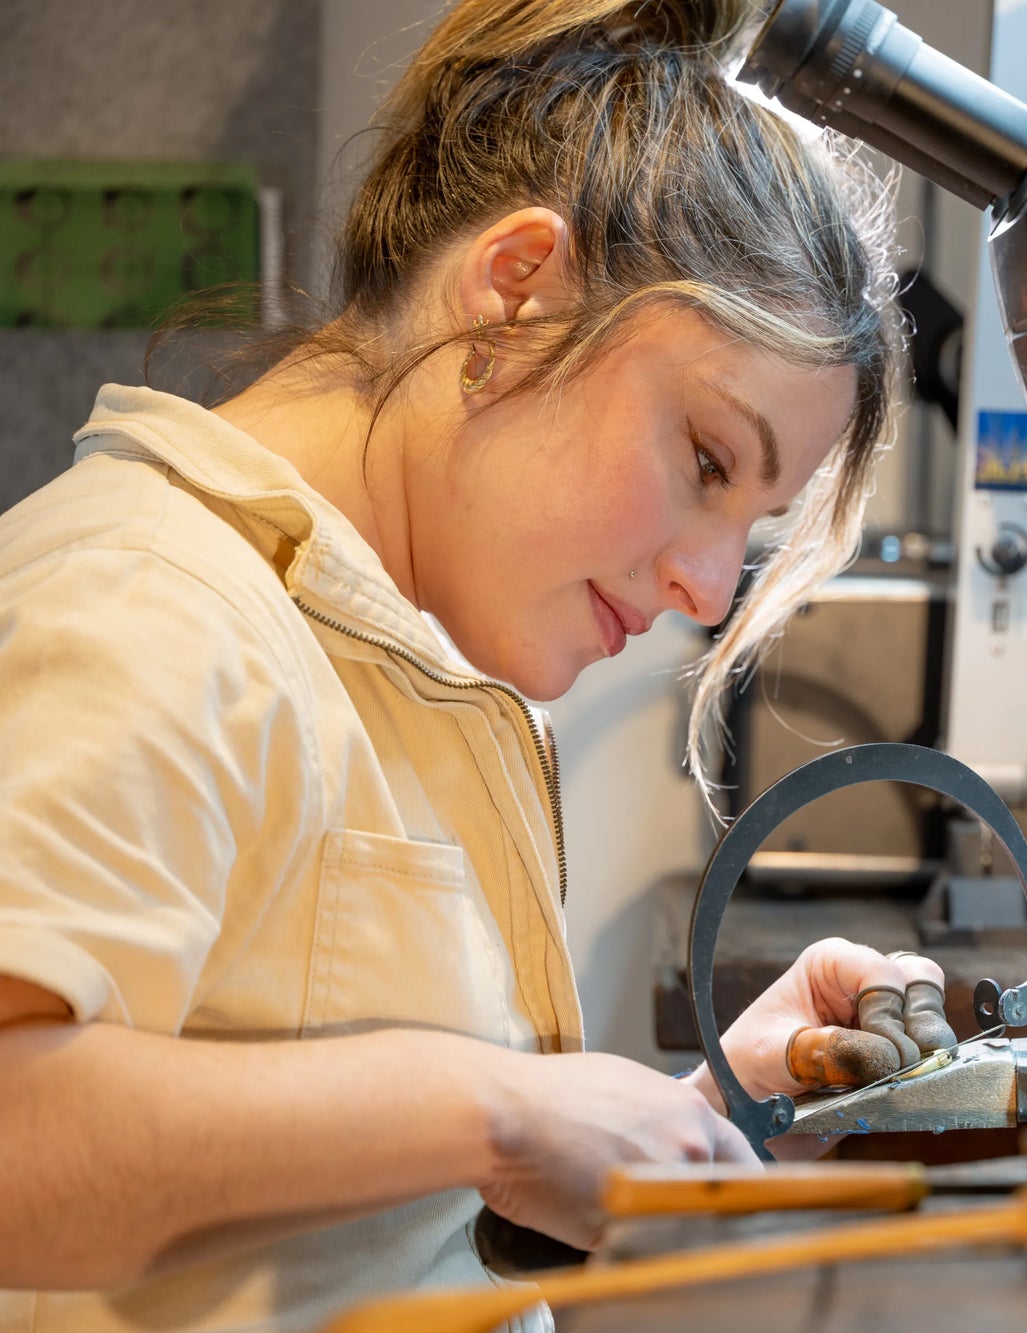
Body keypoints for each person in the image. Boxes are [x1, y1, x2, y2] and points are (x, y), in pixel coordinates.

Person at [0, 2, 946, 1328]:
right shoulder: (150, 601)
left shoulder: (394, 655)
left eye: (753, 524)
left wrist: (692, 1119)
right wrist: (499, 1110)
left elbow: (381, 1224)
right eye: (707, 460)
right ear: (515, 292)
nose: (708, 586)